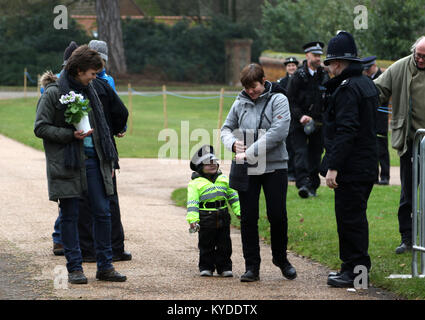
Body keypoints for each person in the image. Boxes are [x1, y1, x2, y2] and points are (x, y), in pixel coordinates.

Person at [34, 45, 126, 284]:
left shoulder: (93, 89)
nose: (95, 78)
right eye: (92, 73)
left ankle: (105, 266)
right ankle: (74, 268)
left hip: (96, 162)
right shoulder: (54, 93)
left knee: (103, 213)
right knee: (70, 215)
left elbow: (107, 125)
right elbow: (40, 127)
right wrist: (69, 135)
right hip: (68, 163)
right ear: (79, 70)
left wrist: (110, 162)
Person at [221, 63, 296, 282]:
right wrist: (233, 144)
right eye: (247, 88)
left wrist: (249, 152)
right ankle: (252, 266)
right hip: (247, 169)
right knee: (248, 218)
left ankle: (281, 259)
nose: (251, 92)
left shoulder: (279, 100)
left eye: (254, 87)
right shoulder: (240, 101)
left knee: (277, 215)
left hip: (275, 166)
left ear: (263, 81)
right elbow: (226, 128)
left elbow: (278, 132)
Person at [321, 31, 379, 288]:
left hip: (352, 167)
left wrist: (333, 166)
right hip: (365, 163)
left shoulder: (347, 89)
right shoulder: (366, 83)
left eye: (331, 64)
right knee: (354, 218)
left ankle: (356, 274)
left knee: (350, 220)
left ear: (337, 63)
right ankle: (352, 269)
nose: (330, 69)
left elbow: (346, 130)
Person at [76, 40, 131, 262]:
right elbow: (120, 111)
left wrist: (116, 128)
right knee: (106, 199)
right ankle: (110, 248)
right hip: (102, 144)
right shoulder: (103, 81)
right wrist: (118, 128)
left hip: (96, 144)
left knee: (89, 200)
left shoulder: (100, 81)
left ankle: (93, 249)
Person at [373, 36, 425, 254]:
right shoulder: (400, 67)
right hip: (410, 143)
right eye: (418, 55)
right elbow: (377, 90)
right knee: (408, 194)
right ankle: (407, 238)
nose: (420, 59)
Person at [186, 145, 240, 277]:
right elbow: (192, 204)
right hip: (205, 218)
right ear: (200, 167)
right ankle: (206, 267)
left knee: (225, 244)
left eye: (214, 162)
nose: (212, 165)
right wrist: (193, 220)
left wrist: (239, 211)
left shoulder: (224, 180)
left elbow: (233, 197)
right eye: (208, 163)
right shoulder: (195, 184)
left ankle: (224, 267)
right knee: (206, 244)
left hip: (223, 215)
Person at [287, 42, 329, 198]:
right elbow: (290, 100)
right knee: (301, 154)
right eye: (315, 55)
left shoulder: (323, 75)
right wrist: (300, 116)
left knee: (315, 155)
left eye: (319, 55)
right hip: (299, 123)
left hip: (318, 123)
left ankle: (313, 186)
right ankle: (303, 184)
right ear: (307, 56)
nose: (318, 58)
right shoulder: (298, 76)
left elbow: (327, 98)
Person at [362, 56, 390, 185]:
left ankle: (385, 176)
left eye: (368, 69)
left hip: (380, 118)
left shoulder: (383, 76)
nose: (366, 72)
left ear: (374, 66)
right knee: (370, 148)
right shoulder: (365, 78)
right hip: (369, 118)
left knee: (382, 148)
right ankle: (373, 176)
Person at [277, 56, 299, 182]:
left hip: (298, 118)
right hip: (286, 119)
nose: (291, 67)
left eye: (293, 65)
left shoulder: (302, 80)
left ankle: (299, 171)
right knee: (288, 145)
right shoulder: (282, 82)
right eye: (289, 65)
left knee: (299, 147)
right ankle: (289, 171)